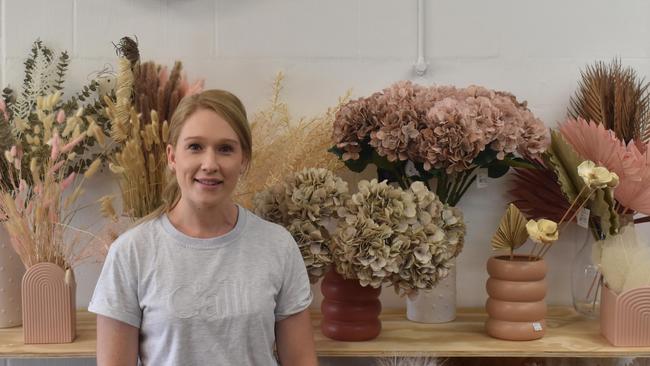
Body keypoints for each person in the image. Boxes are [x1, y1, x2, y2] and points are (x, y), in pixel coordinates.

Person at [89, 89, 318, 366]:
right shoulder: (131, 253)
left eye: (225, 149)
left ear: (243, 159)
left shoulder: (278, 246)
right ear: (173, 157)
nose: (209, 164)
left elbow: (301, 360)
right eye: (195, 147)